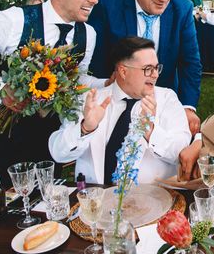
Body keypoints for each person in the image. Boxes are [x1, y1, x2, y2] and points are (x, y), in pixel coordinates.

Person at [0, 0, 106, 184]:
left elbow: (76, 78)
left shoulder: (88, 35)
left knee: (47, 194)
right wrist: (1, 90)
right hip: (2, 132)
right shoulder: (13, 20)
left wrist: (105, 84)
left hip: (48, 133)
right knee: (1, 197)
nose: (94, 0)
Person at [49, 37, 193, 184]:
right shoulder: (90, 100)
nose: (155, 75)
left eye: (157, 68)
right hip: (96, 201)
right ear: (123, 71)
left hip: (152, 200)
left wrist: (150, 130)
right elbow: (58, 153)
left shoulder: (167, 99)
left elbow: (181, 152)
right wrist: (85, 128)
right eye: (148, 69)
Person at [88, 0, 202, 134]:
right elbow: (97, 58)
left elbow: (191, 62)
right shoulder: (108, 6)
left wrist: (187, 107)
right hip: (115, 99)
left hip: (163, 98)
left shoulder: (182, 8)